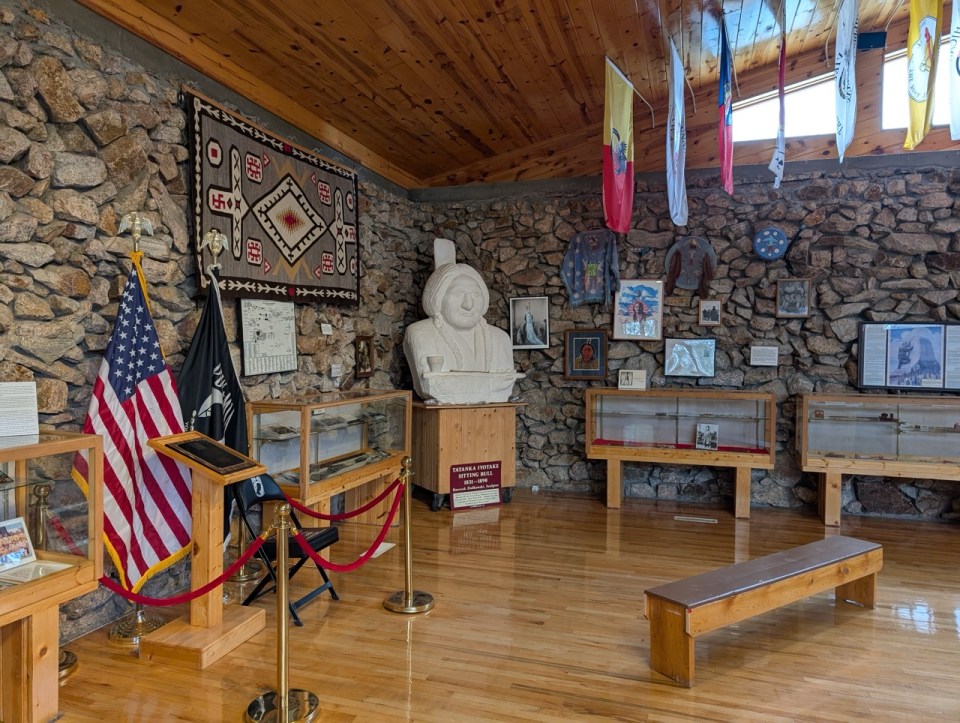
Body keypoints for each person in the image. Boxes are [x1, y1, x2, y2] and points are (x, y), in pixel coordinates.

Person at [403, 261, 517, 403]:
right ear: (438, 298)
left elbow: (505, 385)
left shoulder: (500, 338)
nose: (468, 304)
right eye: (458, 293)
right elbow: (432, 388)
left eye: (476, 294)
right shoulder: (420, 334)